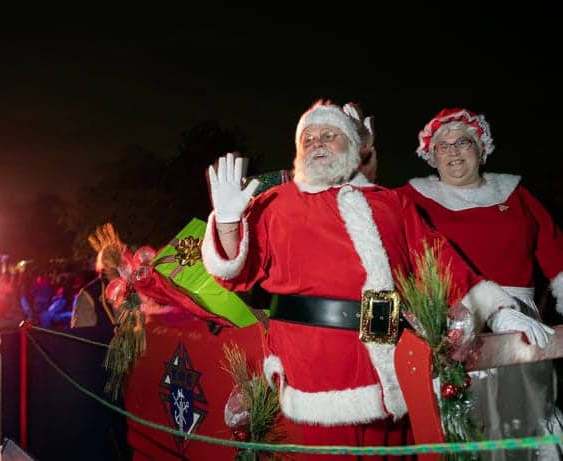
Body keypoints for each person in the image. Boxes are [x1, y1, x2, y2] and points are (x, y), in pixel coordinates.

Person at [200, 100, 554, 460]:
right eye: (307, 138)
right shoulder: (277, 202)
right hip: (316, 376)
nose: (317, 142)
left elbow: (440, 264)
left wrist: (498, 311)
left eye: (328, 135)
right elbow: (237, 274)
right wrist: (229, 223)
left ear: (353, 147)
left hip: (392, 369)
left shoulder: (391, 203)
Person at [396, 107, 563, 460]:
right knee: (462, 420)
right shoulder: (410, 200)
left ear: (481, 148)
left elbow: (555, 251)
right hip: (451, 322)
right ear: (430, 155)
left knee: (526, 417)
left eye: (463, 143)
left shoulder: (516, 194)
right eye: (443, 146)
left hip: (519, 324)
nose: (454, 152)